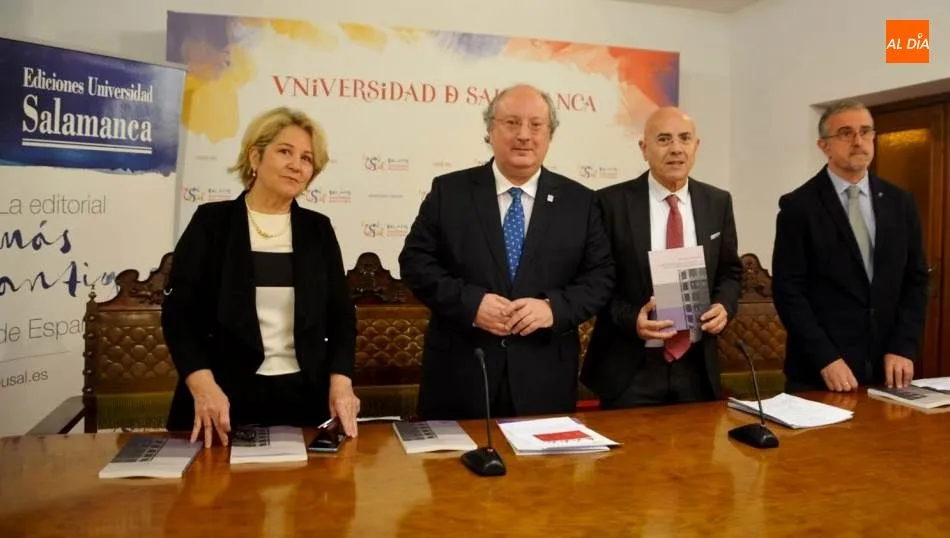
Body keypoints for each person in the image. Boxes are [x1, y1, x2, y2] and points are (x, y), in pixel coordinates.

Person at [398, 84, 615, 420]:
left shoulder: (581, 202)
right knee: (452, 473)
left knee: (542, 474)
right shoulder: (449, 191)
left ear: (550, 134)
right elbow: (415, 263)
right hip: (460, 374)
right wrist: (472, 304)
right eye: (512, 123)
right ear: (490, 130)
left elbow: (600, 278)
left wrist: (552, 308)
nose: (524, 135)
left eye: (536, 125)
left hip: (544, 378)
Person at [162, 106, 360, 447]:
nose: (297, 165)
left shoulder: (318, 230)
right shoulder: (212, 223)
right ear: (255, 157)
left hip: (304, 399)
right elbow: (179, 316)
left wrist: (341, 383)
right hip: (221, 396)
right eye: (285, 151)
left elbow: (341, 317)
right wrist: (202, 385)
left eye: (307, 159)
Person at [581, 107, 742, 408]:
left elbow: (730, 272)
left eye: (684, 139)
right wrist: (632, 320)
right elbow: (595, 280)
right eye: (664, 139)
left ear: (697, 146)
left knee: (698, 455)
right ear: (644, 148)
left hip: (697, 366)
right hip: (630, 367)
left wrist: (723, 305)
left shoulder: (718, 202)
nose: (676, 149)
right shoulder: (610, 203)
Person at [772, 99, 929, 393]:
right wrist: (826, 358)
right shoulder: (799, 206)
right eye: (846, 133)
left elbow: (916, 280)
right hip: (821, 373)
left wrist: (904, 345)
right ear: (824, 145)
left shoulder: (900, 202)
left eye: (866, 131)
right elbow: (788, 291)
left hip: (888, 370)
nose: (858, 141)